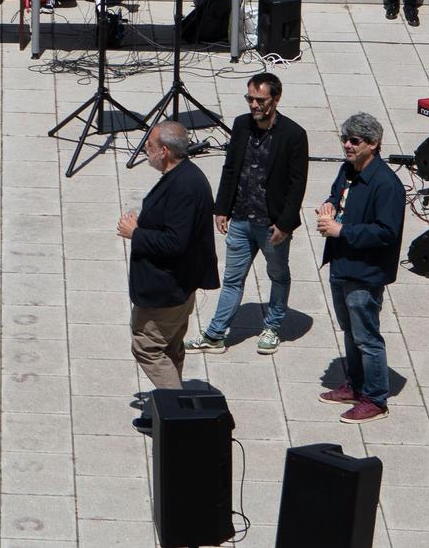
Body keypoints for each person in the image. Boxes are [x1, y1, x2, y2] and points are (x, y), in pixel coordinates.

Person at [187, 73, 309, 355]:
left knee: (278, 275)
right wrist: (221, 208)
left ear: (275, 100)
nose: (254, 105)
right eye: (250, 99)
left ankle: (273, 326)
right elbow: (231, 168)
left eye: (260, 100)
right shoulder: (241, 125)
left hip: (271, 224)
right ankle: (215, 334)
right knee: (232, 278)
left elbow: (297, 184)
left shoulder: (293, 135)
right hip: (241, 218)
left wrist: (286, 224)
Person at [118, 119, 218, 431]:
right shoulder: (184, 175)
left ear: (164, 151)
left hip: (167, 289)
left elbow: (175, 242)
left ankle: (176, 416)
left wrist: (135, 233)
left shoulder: (184, 186)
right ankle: (163, 408)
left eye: (148, 146)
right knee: (171, 347)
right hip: (179, 285)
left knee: (146, 347)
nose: (144, 151)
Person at [317, 112, 406, 424]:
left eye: (355, 140)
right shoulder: (348, 170)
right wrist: (329, 205)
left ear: (374, 144)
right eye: (345, 139)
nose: (348, 145)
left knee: (367, 336)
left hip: (364, 273)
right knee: (349, 330)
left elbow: (387, 232)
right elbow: (337, 196)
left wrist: (343, 232)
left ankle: (376, 398)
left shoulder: (387, 185)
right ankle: (355, 385)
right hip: (341, 265)